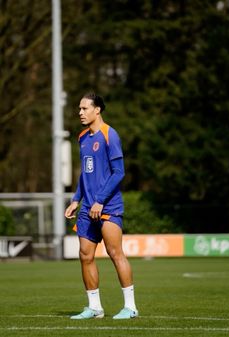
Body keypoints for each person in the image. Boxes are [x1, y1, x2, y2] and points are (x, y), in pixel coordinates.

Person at [65, 92, 138, 320]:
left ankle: (131, 307)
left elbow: (119, 173)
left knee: (115, 253)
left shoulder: (110, 135)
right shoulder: (82, 138)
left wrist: (100, 200)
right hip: (87, 207)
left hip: (108, 206)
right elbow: (84, 175)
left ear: (97, 110)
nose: (80, 112)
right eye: (79, 109)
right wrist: (76, 199)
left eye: (84, 108)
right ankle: (94, 308)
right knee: (85, 255)